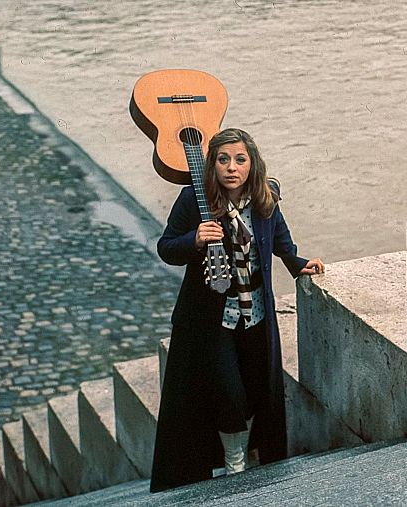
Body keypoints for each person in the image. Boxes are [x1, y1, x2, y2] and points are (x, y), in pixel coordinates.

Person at [149, 128, 324, 493]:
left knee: (254, 390)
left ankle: (249, 462)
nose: (232, 168)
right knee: (228, 394)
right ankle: (235, 467)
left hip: (255, 316)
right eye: (223, 159)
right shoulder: (193, 200)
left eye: (240, 160)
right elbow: (166, 247)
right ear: (211, 164)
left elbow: (280, 242)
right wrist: (194, 239)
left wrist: (298, 263)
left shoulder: (265, 200)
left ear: (252, 164)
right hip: (211, 321)